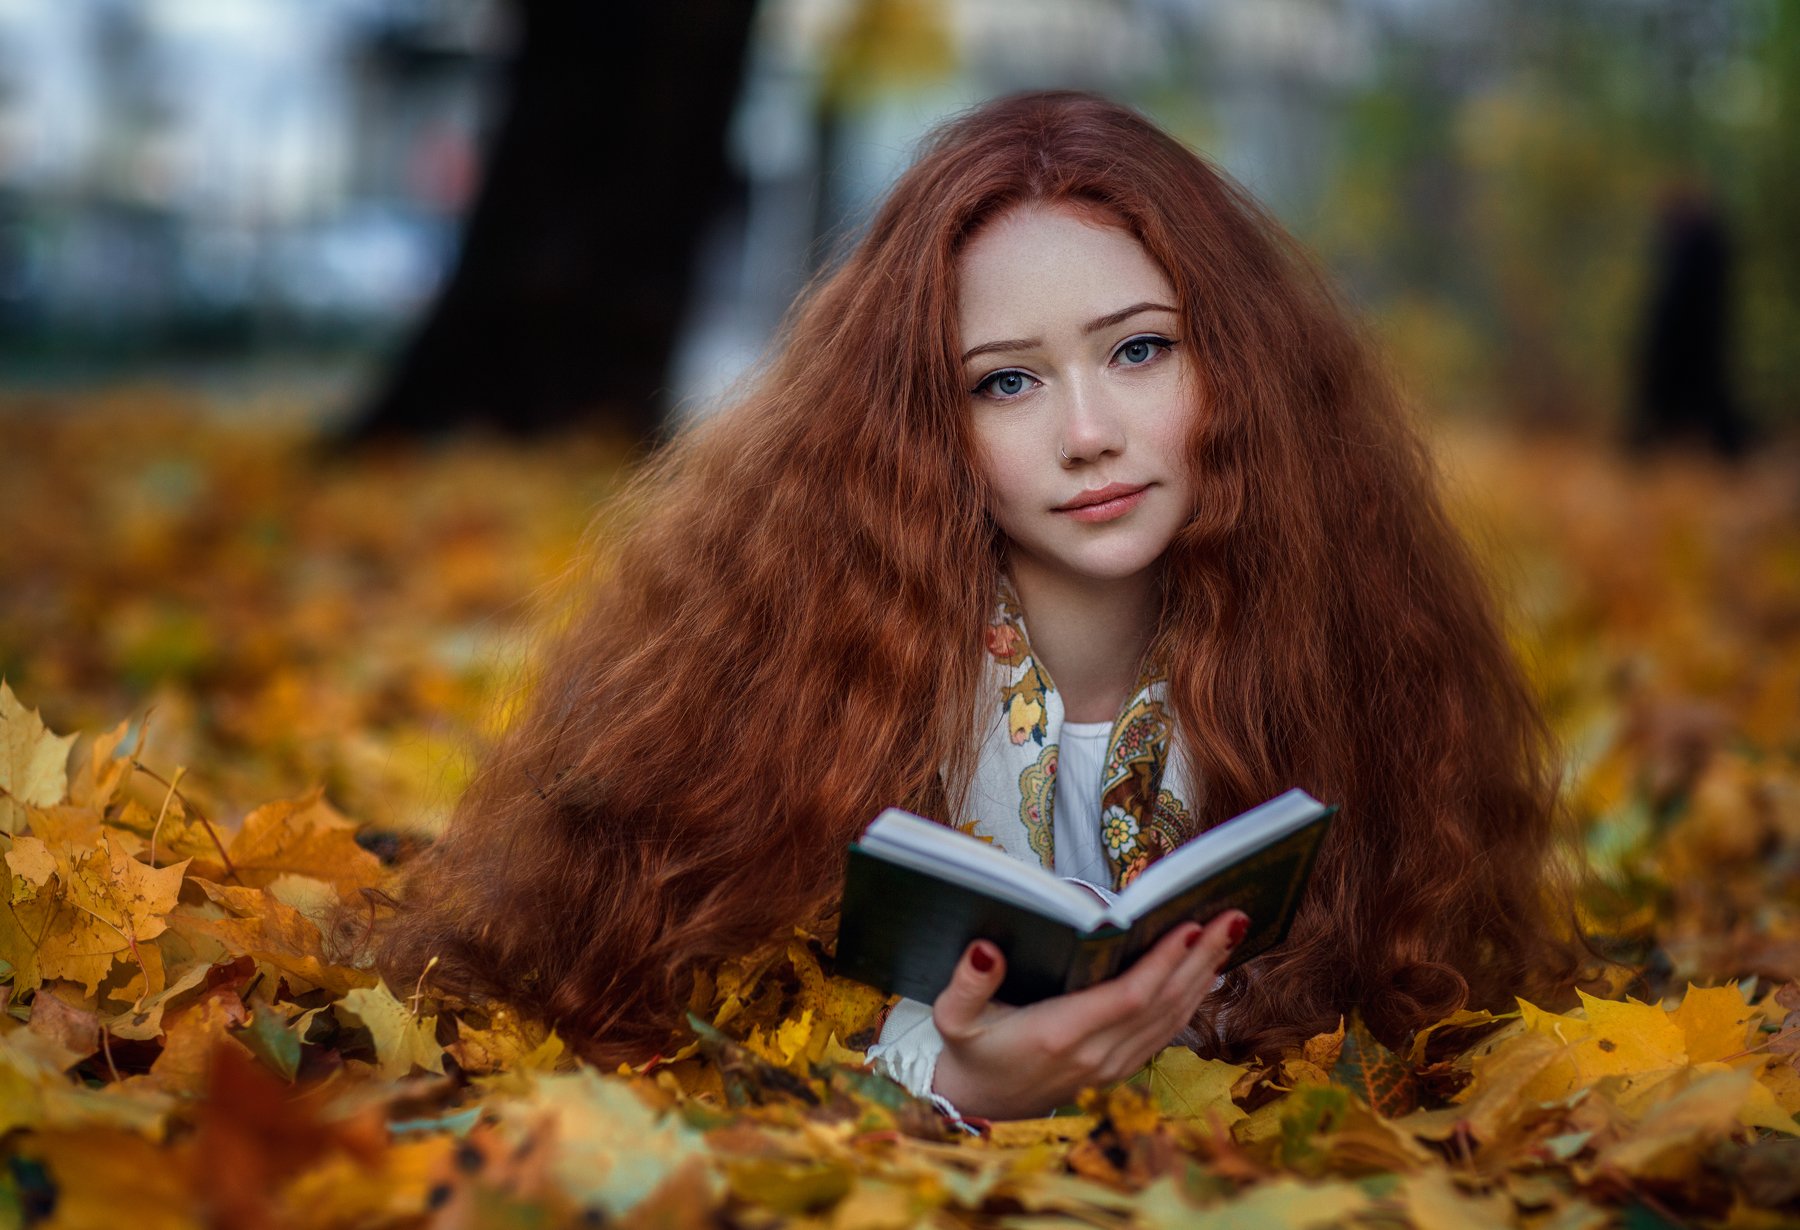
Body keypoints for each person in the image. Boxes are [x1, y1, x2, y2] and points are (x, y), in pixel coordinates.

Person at [373, 90, 1590, 1122]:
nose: (1087, 435)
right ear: (923, 425)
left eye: (1140, 351)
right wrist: (954, 1082)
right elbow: (677, 1045)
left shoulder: (1348, 660)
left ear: (1241, 366)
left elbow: (1401, 1030)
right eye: (1006, 381)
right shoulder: (797, 688)